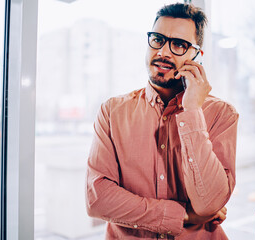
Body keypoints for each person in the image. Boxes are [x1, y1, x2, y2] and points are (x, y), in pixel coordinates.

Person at [86, 3, 239, 239]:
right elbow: (98, 200)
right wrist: (184, 215)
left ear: (196, 56)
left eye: (179, 44)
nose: (164, 52)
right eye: (158, 39)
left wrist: (192, 110)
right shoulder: (112, 112)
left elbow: (209, 203)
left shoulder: (222, 114)